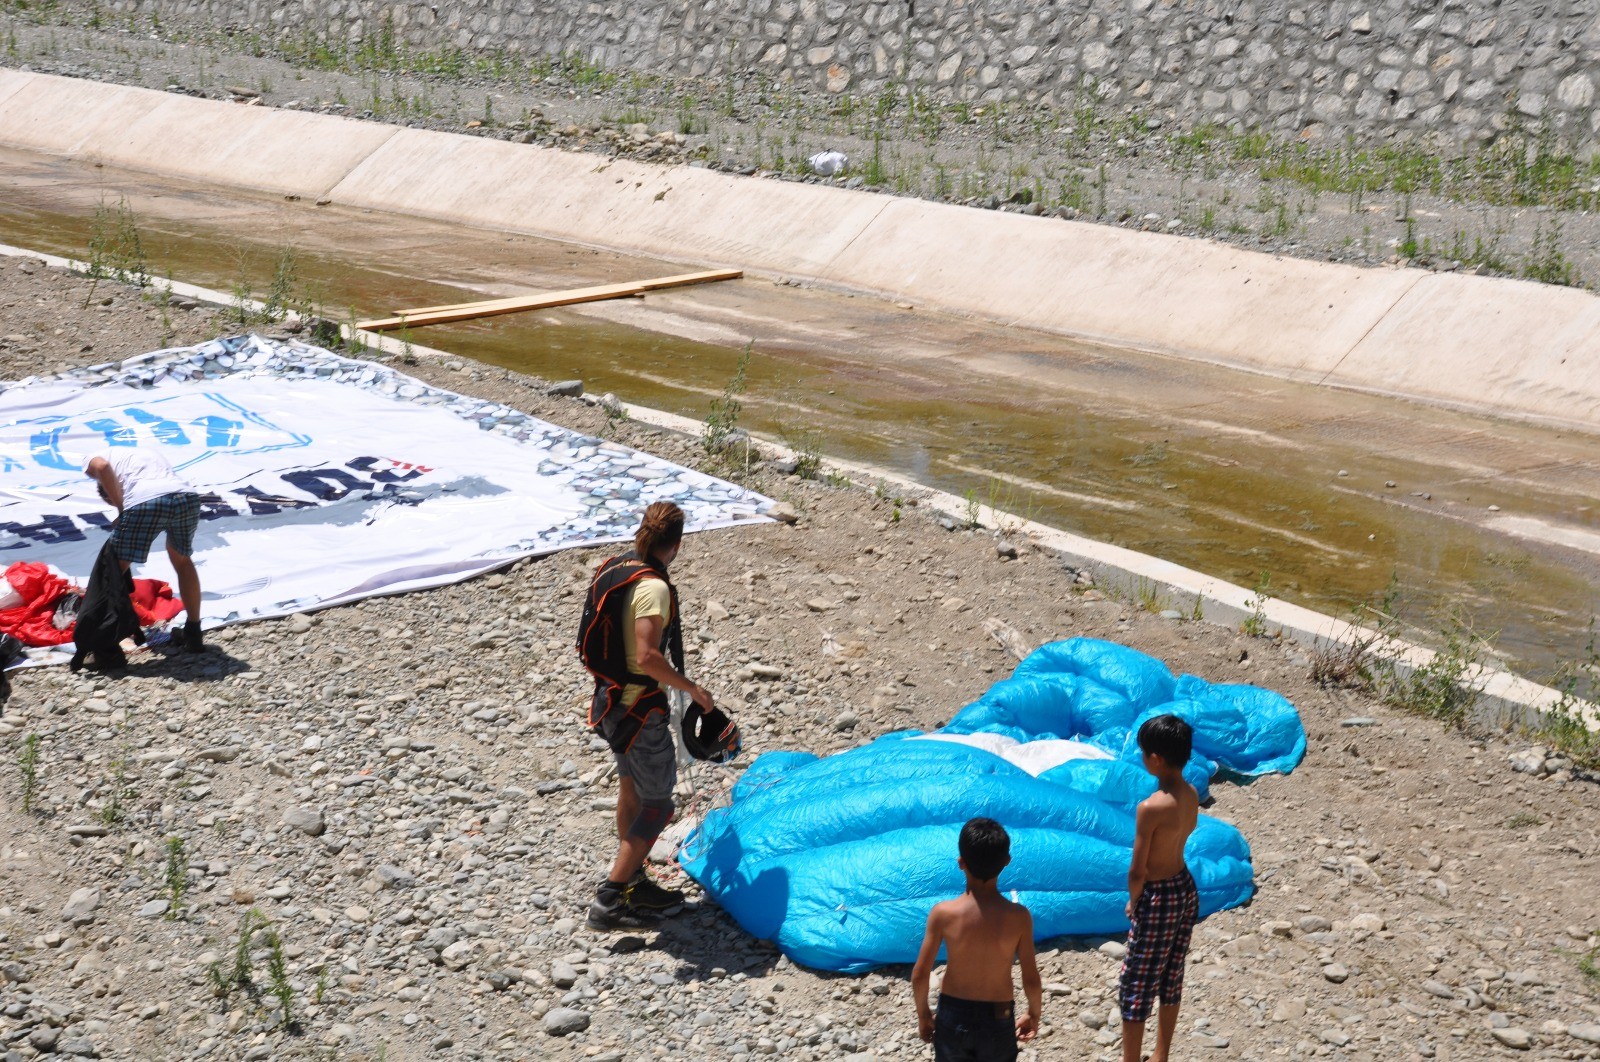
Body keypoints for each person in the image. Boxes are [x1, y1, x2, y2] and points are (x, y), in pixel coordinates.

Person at [578, 501, 721, 930]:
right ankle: (609, 900)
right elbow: (646, 655)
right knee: (658, 806)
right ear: (676, 543)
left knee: (632, 792)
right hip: (640, 711)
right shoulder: (653, 587)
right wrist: (693, 689)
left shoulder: (618, 565)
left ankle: (633, 882)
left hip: (611, 703)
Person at [911, 817, 1041, 1061]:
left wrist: (923, 1015)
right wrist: (1034, 1013)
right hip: (998, 1017)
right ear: (1006, 862)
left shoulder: (943, 913)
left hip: (952, 1016)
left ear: (961, 863)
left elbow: (920, 974)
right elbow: (1030, 977)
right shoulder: (1019, 917)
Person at [1119, 714, 1201, 1062]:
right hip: (1184, 886)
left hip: (1158, 895)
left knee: (1136, 984)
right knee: (1171, 973)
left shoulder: (1151, 808)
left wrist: (1133, 900)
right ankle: (1161, 1053)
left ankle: (1131, 1058)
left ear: (1155, 759)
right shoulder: (1191, 793)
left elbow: (1138, 869)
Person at [83, 450, 204, 653]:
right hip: (186, 497)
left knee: (112, 570)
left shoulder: (91, 459)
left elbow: (103, 468)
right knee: (183, 561)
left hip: (146, 501)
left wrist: (122, 508)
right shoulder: (143, 455)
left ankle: (103, 645)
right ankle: (194, 632)